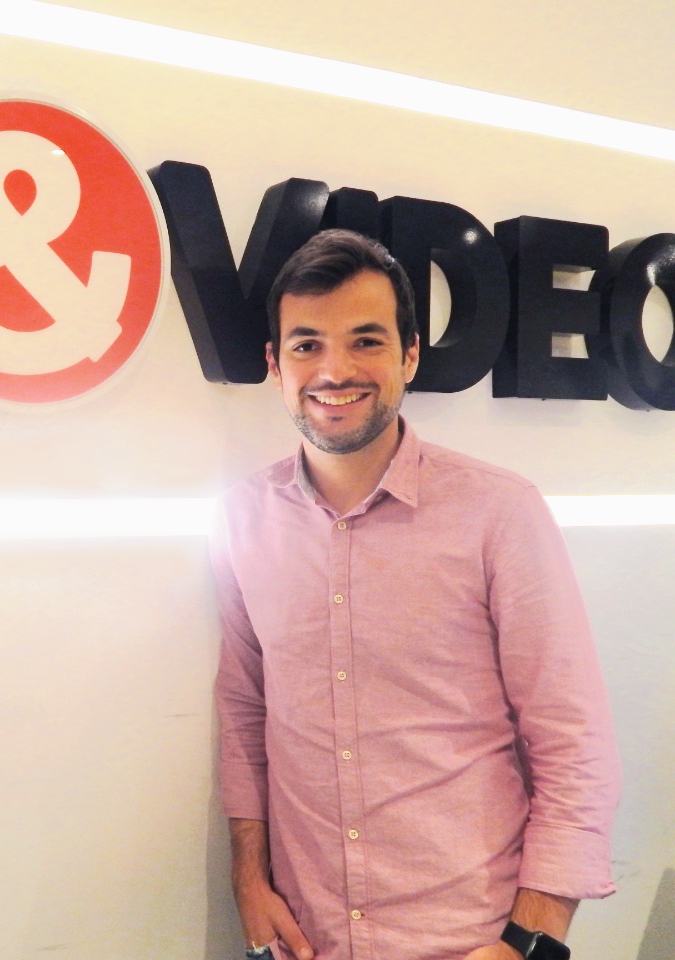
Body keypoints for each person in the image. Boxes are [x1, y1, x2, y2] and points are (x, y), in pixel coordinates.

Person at [211, 229, 622, 960]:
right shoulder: (243, 517)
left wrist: (531, 938)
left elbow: (572, 735)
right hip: (309, 937)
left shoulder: (498, 511)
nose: (334, 370)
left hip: (468, 937)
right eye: (306, 345)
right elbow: (246, 709)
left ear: (409, 355)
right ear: (275, 364)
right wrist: (248, 874)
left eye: (365, 341)